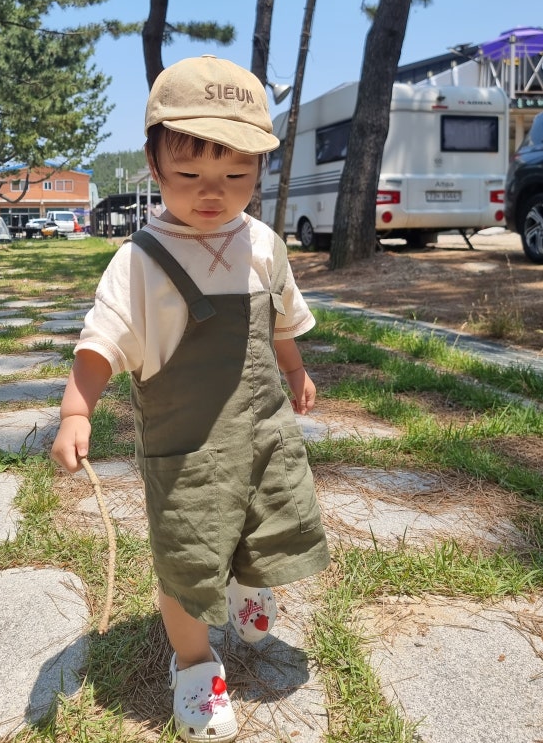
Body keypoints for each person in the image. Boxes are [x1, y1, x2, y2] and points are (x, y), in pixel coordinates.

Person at [51, 54, 330, 743]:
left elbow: (280, 319)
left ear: (259, 168)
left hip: (262, 431)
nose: (213, 193)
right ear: (154, 165)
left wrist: (295, 370)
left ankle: (248, 584)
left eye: (236, 176)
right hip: (188, 452)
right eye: (189, 175)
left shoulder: (262, 244)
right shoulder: (140, 261)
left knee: (268, 521)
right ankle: (195, 663)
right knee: (187, 556)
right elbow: (100, 341)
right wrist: (76, 409)